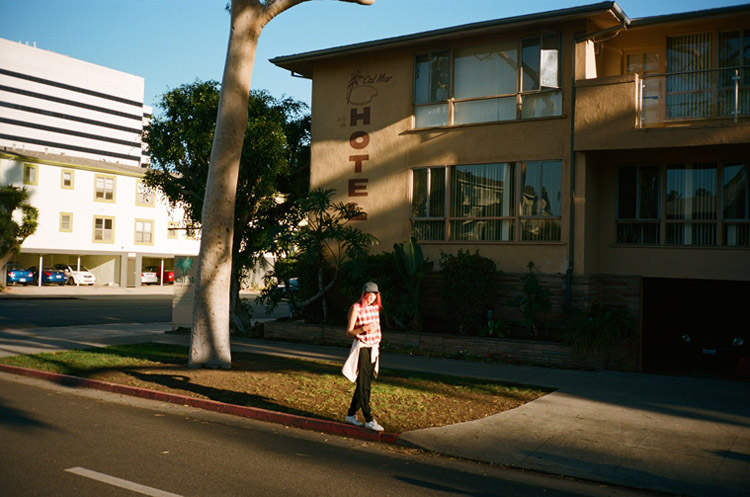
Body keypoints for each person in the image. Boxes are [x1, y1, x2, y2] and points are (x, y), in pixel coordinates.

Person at [342, 281, 384, 432]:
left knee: (364, 383)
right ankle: (369, 419)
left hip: (373, 348)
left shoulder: (375, 308)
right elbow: (348, 332)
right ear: (364, 294)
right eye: (369, 295)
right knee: (364, 384)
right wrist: (363, 329)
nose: (372, 297)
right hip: (362, 348)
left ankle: (350, 415)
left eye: (375, 295)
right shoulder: (356, 308)